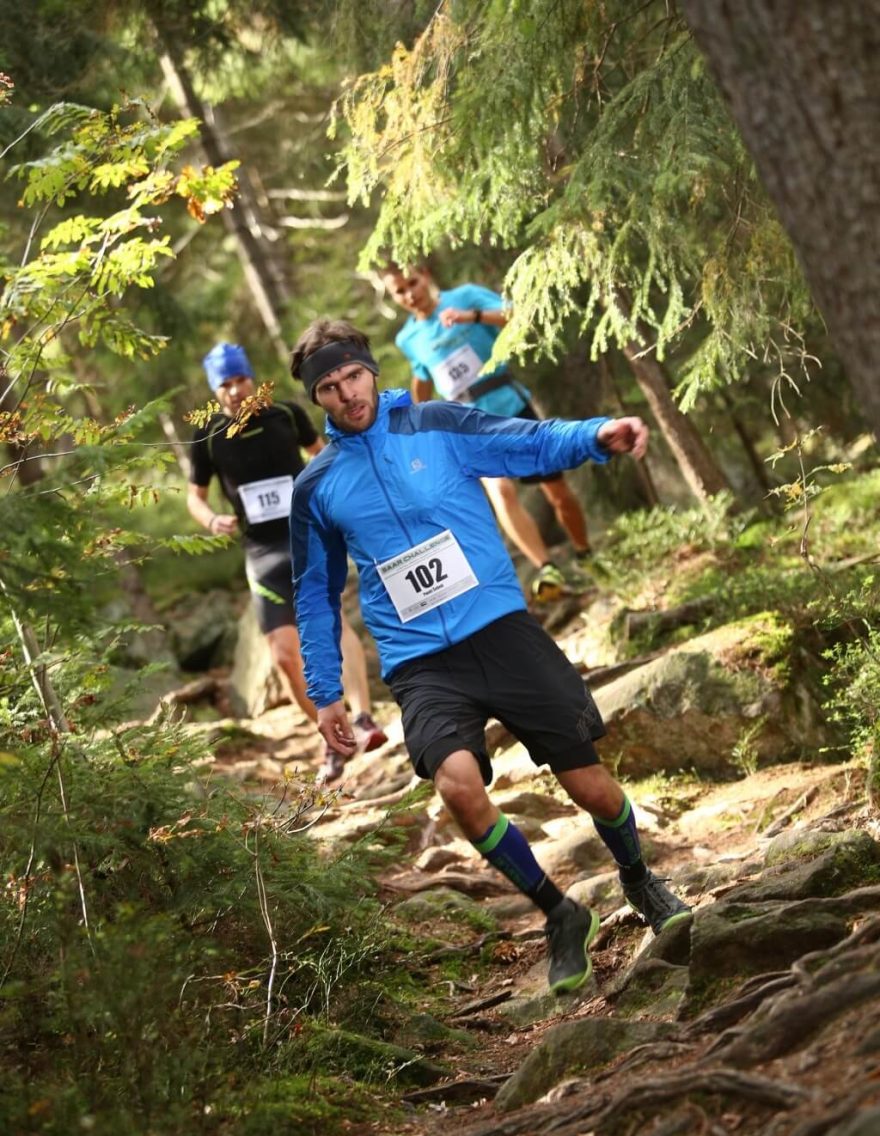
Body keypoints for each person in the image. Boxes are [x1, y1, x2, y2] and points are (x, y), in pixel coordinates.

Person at [288, 319, 690, 994]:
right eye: (328, 387)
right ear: (316, 399)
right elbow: (314, 593)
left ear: (372, 371)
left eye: (353, 376)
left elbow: (526, 442)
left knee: (590, 787)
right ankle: (560, 913)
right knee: (456, 788)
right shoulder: (317, 486)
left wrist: (596, 436)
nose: (347, 394)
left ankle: (639, 878)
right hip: (421, 663)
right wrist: (325, 692)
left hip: (500, 630)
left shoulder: (435, 425)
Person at [187, 341, 387, 783]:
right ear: (215, 390)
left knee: (333, 623)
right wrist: (211, 519)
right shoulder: (210, 438)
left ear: (252, 378)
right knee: (283, 655)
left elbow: (323, 455)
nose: (235, 390)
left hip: (307, 536)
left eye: (240, 379)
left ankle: (363, 717)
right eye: (225, 384)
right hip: (261, 553)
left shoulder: (286, 415)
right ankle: (332, 736)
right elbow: (194, 497)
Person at [381, 262, 594, 604]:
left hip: (510, 406)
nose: (410, 294)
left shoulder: (465, 296)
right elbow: (422, 377)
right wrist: (417, 425)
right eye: (400, 291)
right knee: (502, 491)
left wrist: (472, 317)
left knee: (558, 493)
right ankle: (547, 569)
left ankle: (585, 554)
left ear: (426, 276)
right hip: (468, 425)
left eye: (413, 283)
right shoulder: (408, 338)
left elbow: (515, 316)